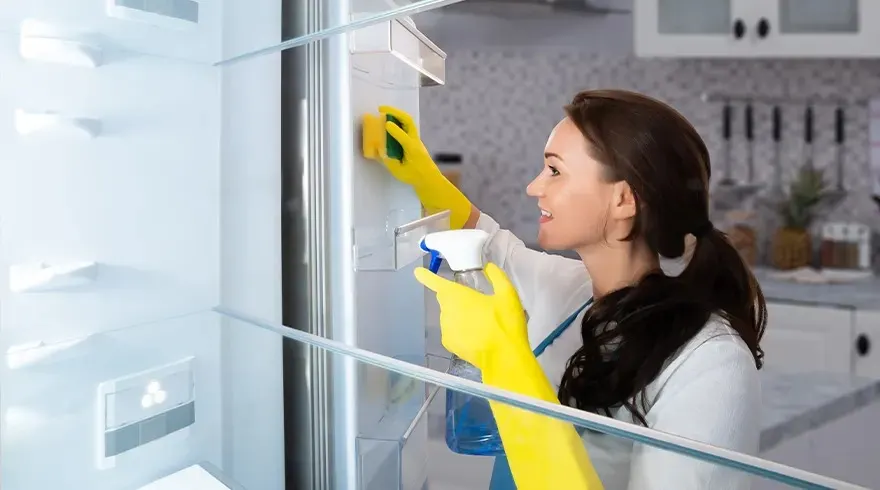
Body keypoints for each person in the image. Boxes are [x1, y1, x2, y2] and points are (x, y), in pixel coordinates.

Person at [369, 89, 766, 489]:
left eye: (554, 171)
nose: (533, 187)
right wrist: (425, 177)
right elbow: (487, 244)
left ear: (624, 199)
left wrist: (505, 361)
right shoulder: (575, 294)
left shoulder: (711, 362)